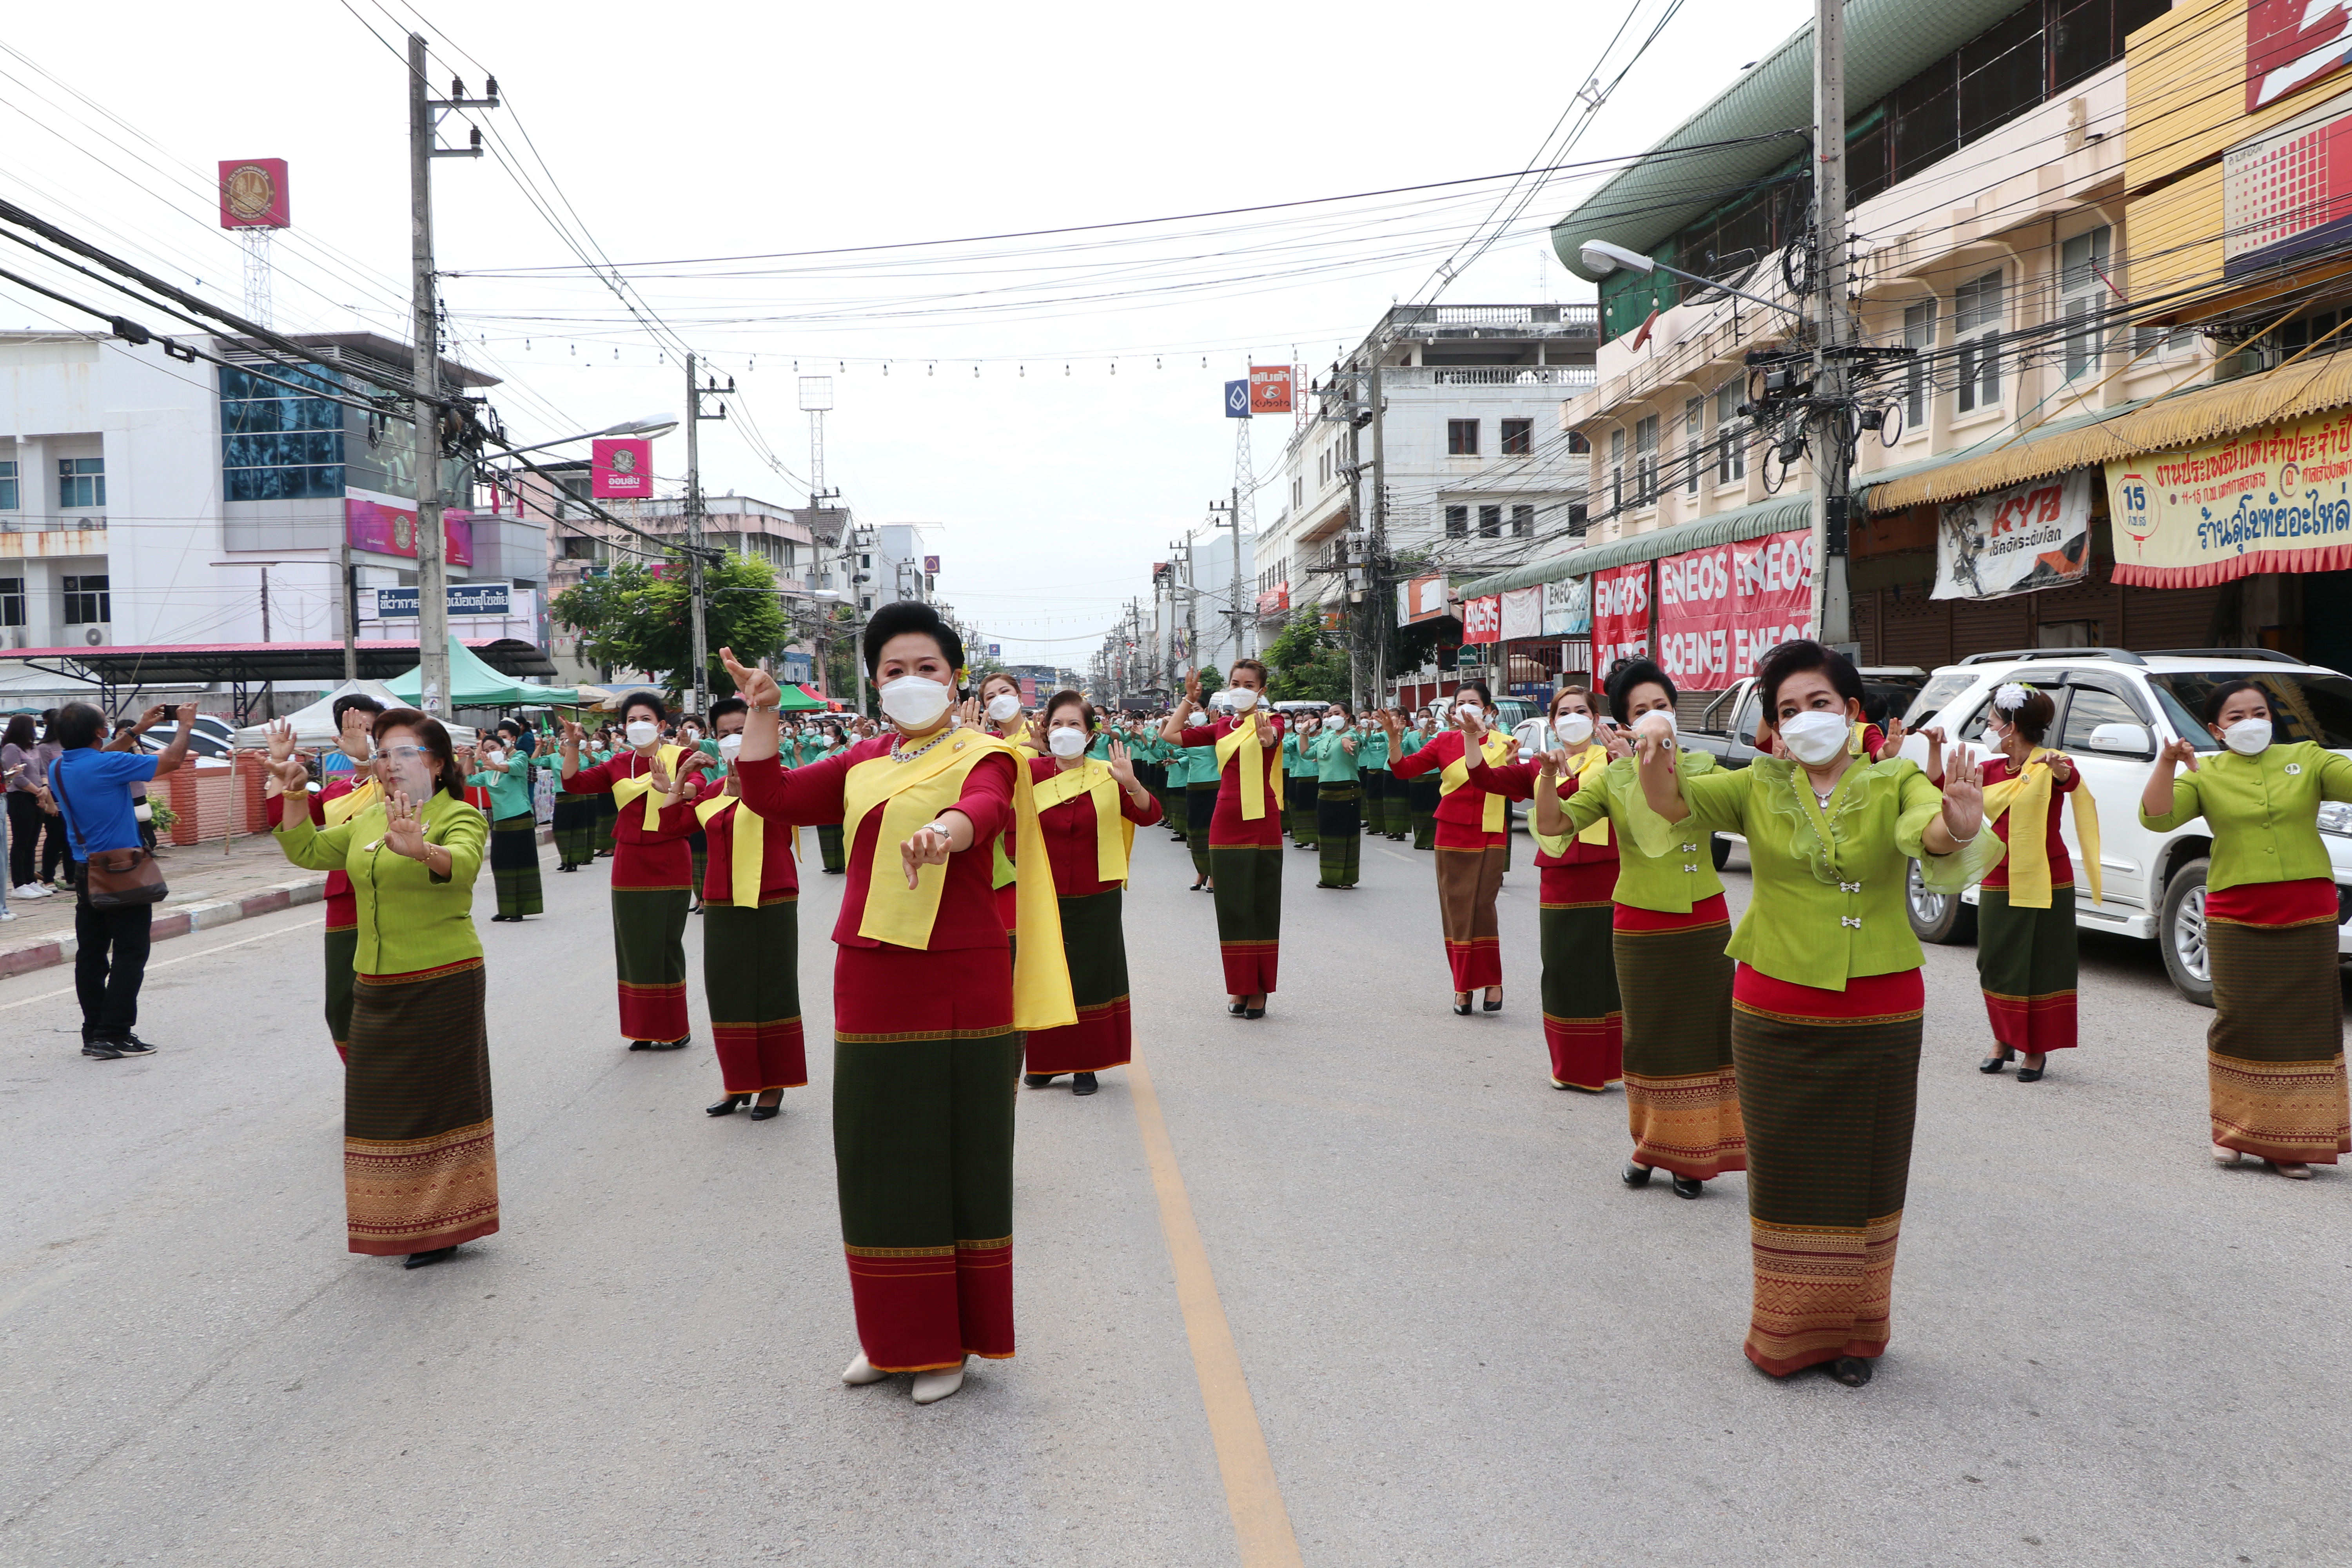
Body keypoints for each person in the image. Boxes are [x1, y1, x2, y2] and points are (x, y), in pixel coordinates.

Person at [722, 602, 1073, 1405]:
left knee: (956, 1155)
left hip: (961, 977)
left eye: (925, 668)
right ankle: (893, 1337)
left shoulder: (987, 754)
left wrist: (945, 832)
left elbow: (980, 810)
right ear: (873, 682)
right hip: (874, 973)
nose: (909, 682)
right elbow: (769, 795)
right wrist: (764, 712)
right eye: (892, 670)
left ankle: (952, 1342)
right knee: (878, 1156)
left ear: (954, 679)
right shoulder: (864, 762)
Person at [1630, 640, 1993, 1385]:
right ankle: (1790, 1331)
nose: (1804, 720)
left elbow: (1924, 834)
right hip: (1773, 1009)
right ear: (1772, 728)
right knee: (1789, 1176)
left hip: (1883, 1009)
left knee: (1870, 1174)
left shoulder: (1893, 779)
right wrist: (1654, 747)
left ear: (1853, 711)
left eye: (1818, 703)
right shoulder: (1757, 784)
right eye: (1787, 711)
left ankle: (1858, 1335)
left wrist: (1956, 822)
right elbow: (1671, 803)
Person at [267, 707, 497, 1269]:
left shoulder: (458, 815)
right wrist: (293, 792)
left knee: (438, 1106)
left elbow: (462, 865)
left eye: (405, 752)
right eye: (385, 752)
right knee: (381, 1108)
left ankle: (444, 1226)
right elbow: (307, 851)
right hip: (375, 981)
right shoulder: (369, 820)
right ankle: (397, 1219)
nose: (391, 763)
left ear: (438, 764)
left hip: (443, 978)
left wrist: (422, 848)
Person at [2141, 678, 2352, 1179]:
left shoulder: (2308, 758)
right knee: (2240, 1019)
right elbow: (2156, 817)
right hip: (2237, 912)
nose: (2251, 722)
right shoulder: (2205, 772)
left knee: (2307, 1024)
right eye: (2236, 717)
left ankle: (2293, 1143)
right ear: (2216, 729)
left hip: (2309, 910)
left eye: (2260, 712)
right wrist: (2169, 762)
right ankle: (2233, 1133)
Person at [1543, 660, 1739, 1194]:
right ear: (1625, 721)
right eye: (1641, 710)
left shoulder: (1702, 765)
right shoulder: (1612, 776)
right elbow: (1557, 826)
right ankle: (1649, 1148)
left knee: (1702, 1038)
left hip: (1704, 919)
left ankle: (1693, 1157)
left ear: (1676, 714)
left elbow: (1737, 808)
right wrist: (1545, 778)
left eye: (1662, 707)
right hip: (1639, 922)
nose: (1655, 717)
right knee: (1648, 1042)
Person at [1023, 690, 1161, 1094]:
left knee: (1091, 979)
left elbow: (1150, 815)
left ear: (1090, 734)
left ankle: (1086, 1065)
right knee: (1046, 975)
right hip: (1042, 893)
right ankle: (1046, 1062)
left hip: (1097, 894)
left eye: (1074, 725)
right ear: (1045, 731)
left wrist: (1132, 783)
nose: (1065, 732)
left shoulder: (1108, 774)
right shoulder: (1028, 773)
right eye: (1057, 724)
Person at [45, 701, 198, 1059]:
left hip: (85, 869)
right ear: (100, 732)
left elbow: (99, 758)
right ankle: (113, 1033)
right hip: (121, 869)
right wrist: (185, 726)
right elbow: (173, 761)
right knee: (131, 952)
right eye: (106, 724)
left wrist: (137, 729)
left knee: (92, 954)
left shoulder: (58, 767)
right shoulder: (108, 764)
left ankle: (94, 1031)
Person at [560, 692, 710, 1050]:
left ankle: (674, 1027)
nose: (637, 726)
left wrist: (672, 786)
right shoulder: (618, 764)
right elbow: (573, 782)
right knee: (633, 947)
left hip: (670, 858)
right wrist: (573, 745)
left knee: (665, 945)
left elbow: (698, 789)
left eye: (645, 719)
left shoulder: (681, 757)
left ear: (661, 725)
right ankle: (642, 1028)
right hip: (629, 863)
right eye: (631, 720)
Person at [1970, 684, 2090, 1082]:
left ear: (2013, 726)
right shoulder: (1989, 771)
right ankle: (2004, 1039)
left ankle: (2035, 1050)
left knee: (2043, 962)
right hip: (1999, 873)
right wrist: (1935, 750)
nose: (1987, 729)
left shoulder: (2048, 764)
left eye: (1991, 723)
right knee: (1995, 959)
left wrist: (2059, 770)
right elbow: (1943, 788)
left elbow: (2069, 780)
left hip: (2047, 876)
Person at [697, 695, 806, 1122]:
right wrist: (672, 788)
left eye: (742, 731)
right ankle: (737, 1080)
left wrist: (755, 790)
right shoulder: (708, 790)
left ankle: (774, 1084)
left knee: (771, 987)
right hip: (721, 900)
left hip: (772, 894)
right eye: (725, 733)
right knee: (727, 990)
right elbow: (670, 828)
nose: (733, 740)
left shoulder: (782, 780)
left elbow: (789, 823)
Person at [263, 691, 386, 1060]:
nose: (363, 736)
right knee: (343, 1005)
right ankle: (364, 1080)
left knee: (390, 996)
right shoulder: (334, 791)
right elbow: (282, 820)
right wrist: (279, 764)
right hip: (345, 903)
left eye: (370, 730)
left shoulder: (402, 781)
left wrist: (370, 762)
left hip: (391, 892)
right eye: (356, 729)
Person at [1161, 662, 1288, 1017]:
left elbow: (1273, 737)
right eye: (1236, 683)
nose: (1241, 688)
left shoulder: (1271, 720)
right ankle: (1240, 986)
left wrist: (1268, 739)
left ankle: (1260, 989)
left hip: (1262, 819)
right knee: (1230, 906)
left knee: (1261, 903)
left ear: (1261, 690)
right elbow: (1170, 735)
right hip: (1226, 820)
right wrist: (1188, 700)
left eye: (1249, 684)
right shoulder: (1220, 727)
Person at [1386, 684, 1519, 1015]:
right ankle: (1462, 986)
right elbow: (1404, 770)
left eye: (1473, 703)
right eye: (1461, 703)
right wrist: (1393, 740)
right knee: (1457, 909)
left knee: (1483, 907)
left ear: (1488, 711)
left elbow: (1517, 794)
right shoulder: (1444, 741)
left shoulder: (1506, 744)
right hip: (1451, 833)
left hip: (1490, 832)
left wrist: (1514, 768)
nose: (1467, 708)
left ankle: (1492, 982)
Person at [1516, 686, 1624, 1093]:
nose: (1573, 717)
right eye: (1565, 712)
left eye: (1582, 710)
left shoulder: (1613, 759)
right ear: (1552, 721)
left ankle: (1608, 1067)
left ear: (1597, 720)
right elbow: (1485, 778)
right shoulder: (1542, 764)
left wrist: (1629, 762)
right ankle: (1572, 1066)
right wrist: (1474, 737)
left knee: (1606, 970)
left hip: (1610, 870)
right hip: (1561, 874)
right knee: (1561, 967)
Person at [467, 719, 544, 924]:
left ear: (505, 746)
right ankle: (506, 908)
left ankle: (521, 909)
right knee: (501, 864)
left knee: (521, 864)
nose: (491, 750)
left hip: (520, 817)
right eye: (487, 748)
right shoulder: (489, 771)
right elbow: (468, 779)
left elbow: (516, 768)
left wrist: (495, 765)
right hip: (501, 823)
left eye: (495, 746)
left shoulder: (518, 757)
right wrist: (473, 755)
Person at [1308, 703, 1362, 889]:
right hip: (1325, 789)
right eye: (1330, 714)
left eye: (1337, 713)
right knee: (1327, 832)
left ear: (1347, 716)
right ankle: (1329, 878)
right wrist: (1302, 733)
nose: (1333, 717)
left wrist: (1346, 741)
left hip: (1348, 788)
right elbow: (1306, 753)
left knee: (1347, 832)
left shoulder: (1353, 734)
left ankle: (1347, 879)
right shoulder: (1326, 738)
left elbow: (1350, 738)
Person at [551, 710, 603, 872]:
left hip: (581, 796)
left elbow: (596, 766)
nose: (565, 742)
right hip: (562, 797)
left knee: (580, 828)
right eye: (563, 740)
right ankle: (564, 859)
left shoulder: (584, 756)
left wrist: (588, 756)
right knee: (560, 829)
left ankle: (575, 860)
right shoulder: (555, 757)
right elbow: (535, 760)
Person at [1401, 709, 1441, 849]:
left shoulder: (1440, 734)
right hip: (1416, 777)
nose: (1425, 719)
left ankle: (1434, 841)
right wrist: (1398, 733)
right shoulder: (1411, 735)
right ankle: (1421, 841)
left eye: (1427, 716)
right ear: (1417, 719)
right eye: (1422, 717)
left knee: (1434, 809)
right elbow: (1401, 750)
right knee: (1419, 809)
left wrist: (1428, 729)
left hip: (1436, 776)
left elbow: (1426, 746)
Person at [1285, 711, 1320, 853]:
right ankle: (1304, 837)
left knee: (1317, 809)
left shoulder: (1323, 737)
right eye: (1302, 721)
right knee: (1303, 808)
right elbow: (1284, 747)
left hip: (1319, 776)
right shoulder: (1297, 739)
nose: (1305, 724)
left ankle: (1318, 840)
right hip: (1301, 776)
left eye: (1309, 721)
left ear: (1317, 722)